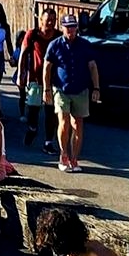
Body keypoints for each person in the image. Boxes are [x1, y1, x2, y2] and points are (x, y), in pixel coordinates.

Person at [43, 15, 100, 174]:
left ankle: (74, 158)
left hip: (80, 89)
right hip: (61, 88)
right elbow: (47, 67)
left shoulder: (85, 45)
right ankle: (63, 154)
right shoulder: (55, 45)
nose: (71, 30)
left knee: (78, 124)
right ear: (62, 28)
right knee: (63, 120)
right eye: (68, 27)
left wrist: (96, 88)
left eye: (73, 27)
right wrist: (47, 89)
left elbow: (92, 66)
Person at [18, 6, 59, 150]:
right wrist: (20, 75)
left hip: (53, 81)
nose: (50, 24)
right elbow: (23, 54)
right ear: (41, 20)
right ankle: (32, 129)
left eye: (53, 21)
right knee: (33, 110)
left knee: (50, 112)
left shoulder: (58, 36)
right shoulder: (32, 34)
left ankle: (48, 142)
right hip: (35, 79)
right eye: (47, 20)